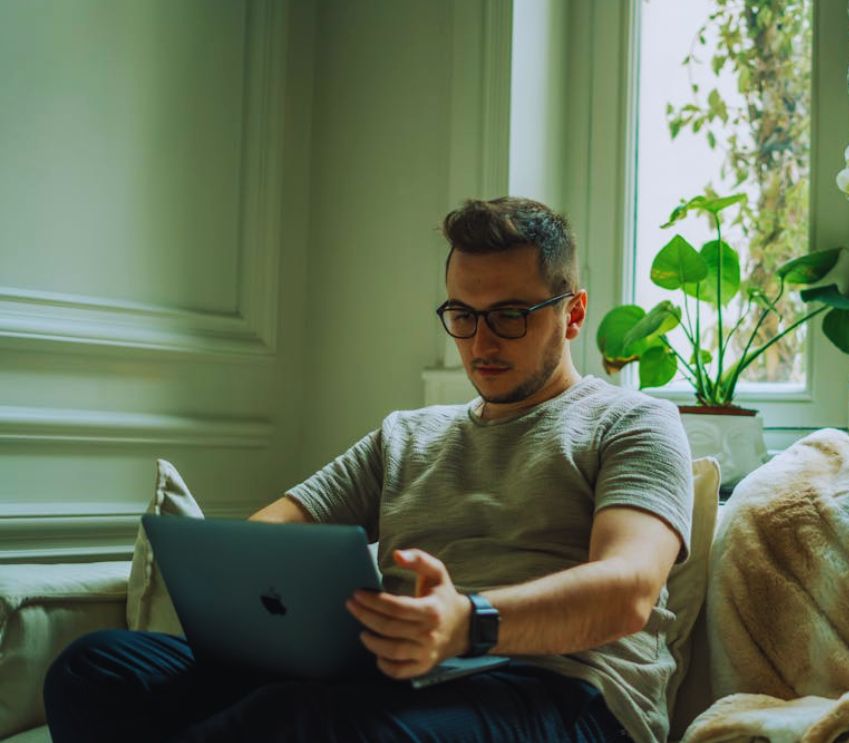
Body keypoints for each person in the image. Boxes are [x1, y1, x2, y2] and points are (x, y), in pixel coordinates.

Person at [43, 197, 694, 743]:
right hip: (395, 676)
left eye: (508, 316)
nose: (480, 341)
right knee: (97, 667)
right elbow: (269, 535)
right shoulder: (409, 434)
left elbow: (627, 589)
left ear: (572, 313)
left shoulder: (632, 421)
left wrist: (464, 623)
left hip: (565, 693)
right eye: (462, 315)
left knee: (300, 722)